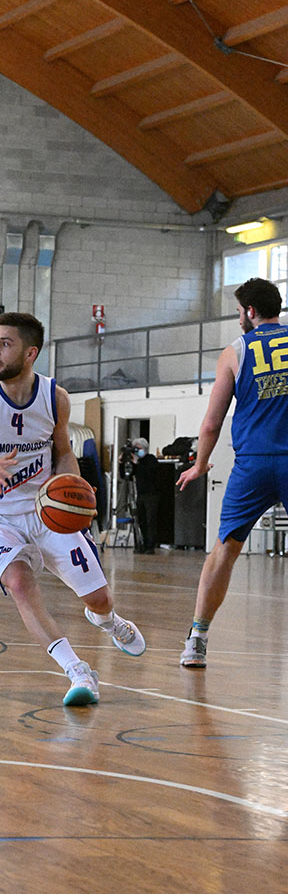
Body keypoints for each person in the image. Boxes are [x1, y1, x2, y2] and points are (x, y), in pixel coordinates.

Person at [0, 311, 146, 706]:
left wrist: (72, 483)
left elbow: (64, 453)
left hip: (47, 510)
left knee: (100, 599)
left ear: (30, 353)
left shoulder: (55, 397)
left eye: (5, 344)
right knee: (20, 583)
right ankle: (78, 671)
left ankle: (107, 620)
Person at [178, 277, 287, 668]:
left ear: (250, 312)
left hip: (253, 463)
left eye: (240, 311)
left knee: (224, 550)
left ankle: (197, 640)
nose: (239, 317)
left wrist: (199, 464)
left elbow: (212, 422)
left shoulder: (235, 351)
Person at [132, 437, 160, 554]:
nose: (137, 451)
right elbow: (127, 475)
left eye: (139, 448)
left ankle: (151, 546)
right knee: (141, 520)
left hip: (151, 495)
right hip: (140, 494)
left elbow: (149, 474)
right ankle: (142, 543)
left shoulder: (151, 460)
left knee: (150, 520)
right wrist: (121, 463)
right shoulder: (136, 462)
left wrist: (137, 463)